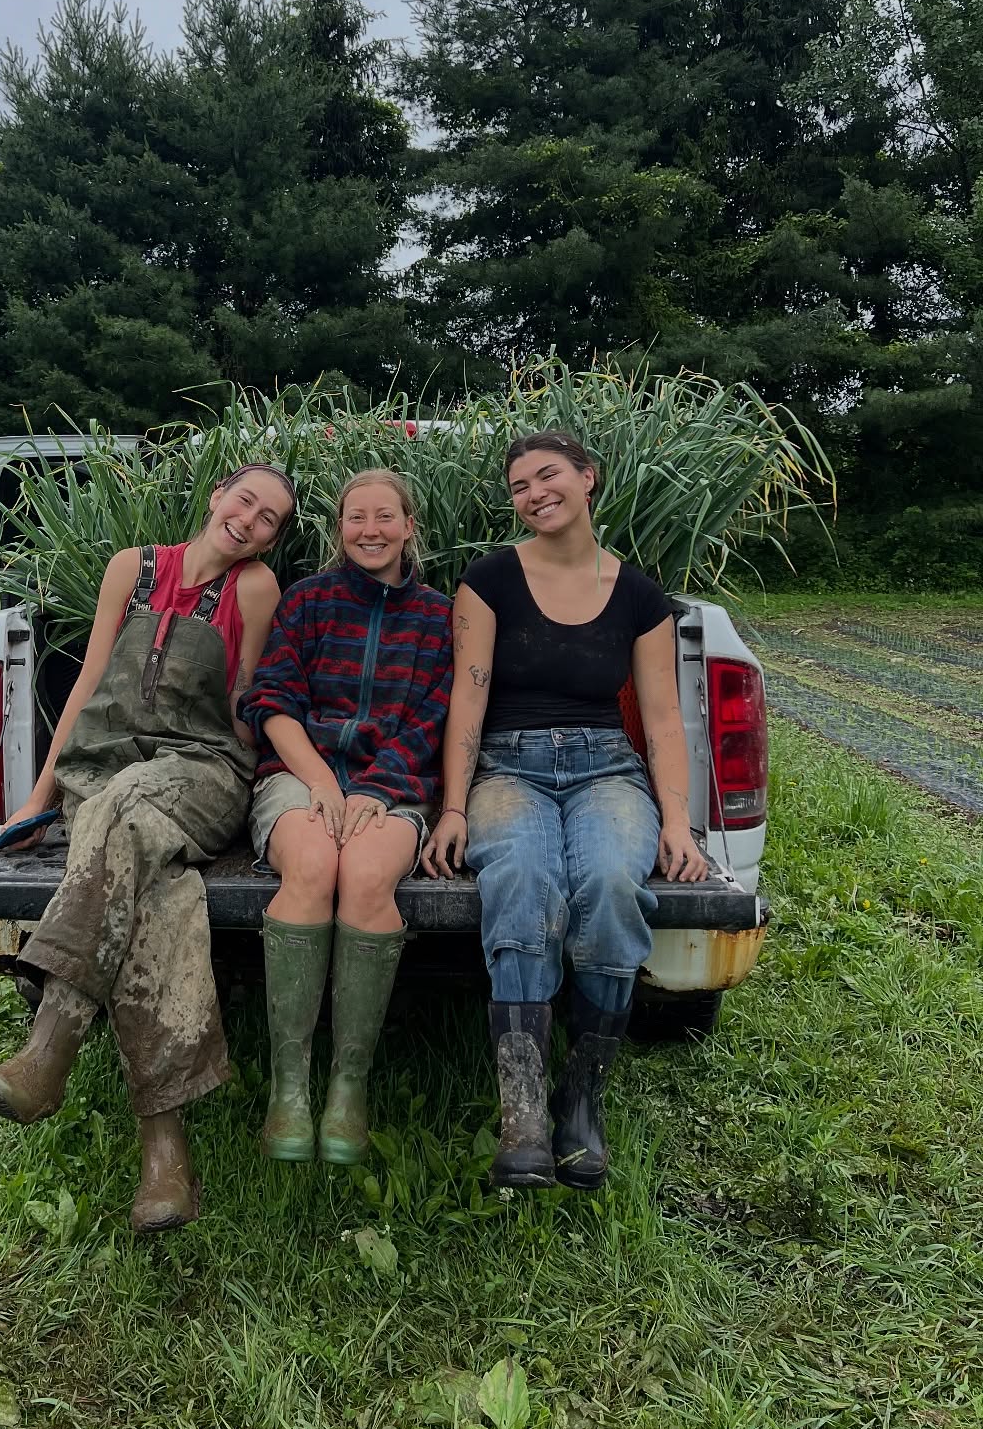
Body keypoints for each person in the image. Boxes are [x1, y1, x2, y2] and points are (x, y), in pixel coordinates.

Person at [0, 462, 295, 1231]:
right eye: (245, 500)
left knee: (121, 815)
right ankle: (163, 1149)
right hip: (103, 772)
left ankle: (50, 1048)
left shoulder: (255, 589)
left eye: (269, 519)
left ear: (270, 540)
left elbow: (247, 704)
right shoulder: (132, 568)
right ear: (216, 495)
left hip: (202, 773)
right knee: (154, 891)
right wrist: (40, 798)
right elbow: (88, 681)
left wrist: (262, 791)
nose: (249, 520)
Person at [421, 430, 708, 1191]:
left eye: (547, 475)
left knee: (613, 884)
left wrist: (675, 822)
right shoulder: (489, 580)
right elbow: (468, 700)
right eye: (519, 486)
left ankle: (581, 1101)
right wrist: (454, 807)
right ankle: (522, 1118)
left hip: (605, 768)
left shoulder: (640, 596)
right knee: (521, 881)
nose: (534, 494)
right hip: (507, 766)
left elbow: (663, 718)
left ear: (588, 478)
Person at [239, 469, 453, 1165]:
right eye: (356, 517)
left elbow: (435, 718)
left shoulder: (438, 617)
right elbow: (272, 699)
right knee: (311, 864)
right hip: (301, 774)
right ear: (339, 530)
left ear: (409, 527)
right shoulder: (307, 601)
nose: (370, 530)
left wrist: (379, 786)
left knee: (363, 875)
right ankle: (290, 1088)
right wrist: (320, 781)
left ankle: (348, 1086)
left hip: (394, 785)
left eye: (385, 516)